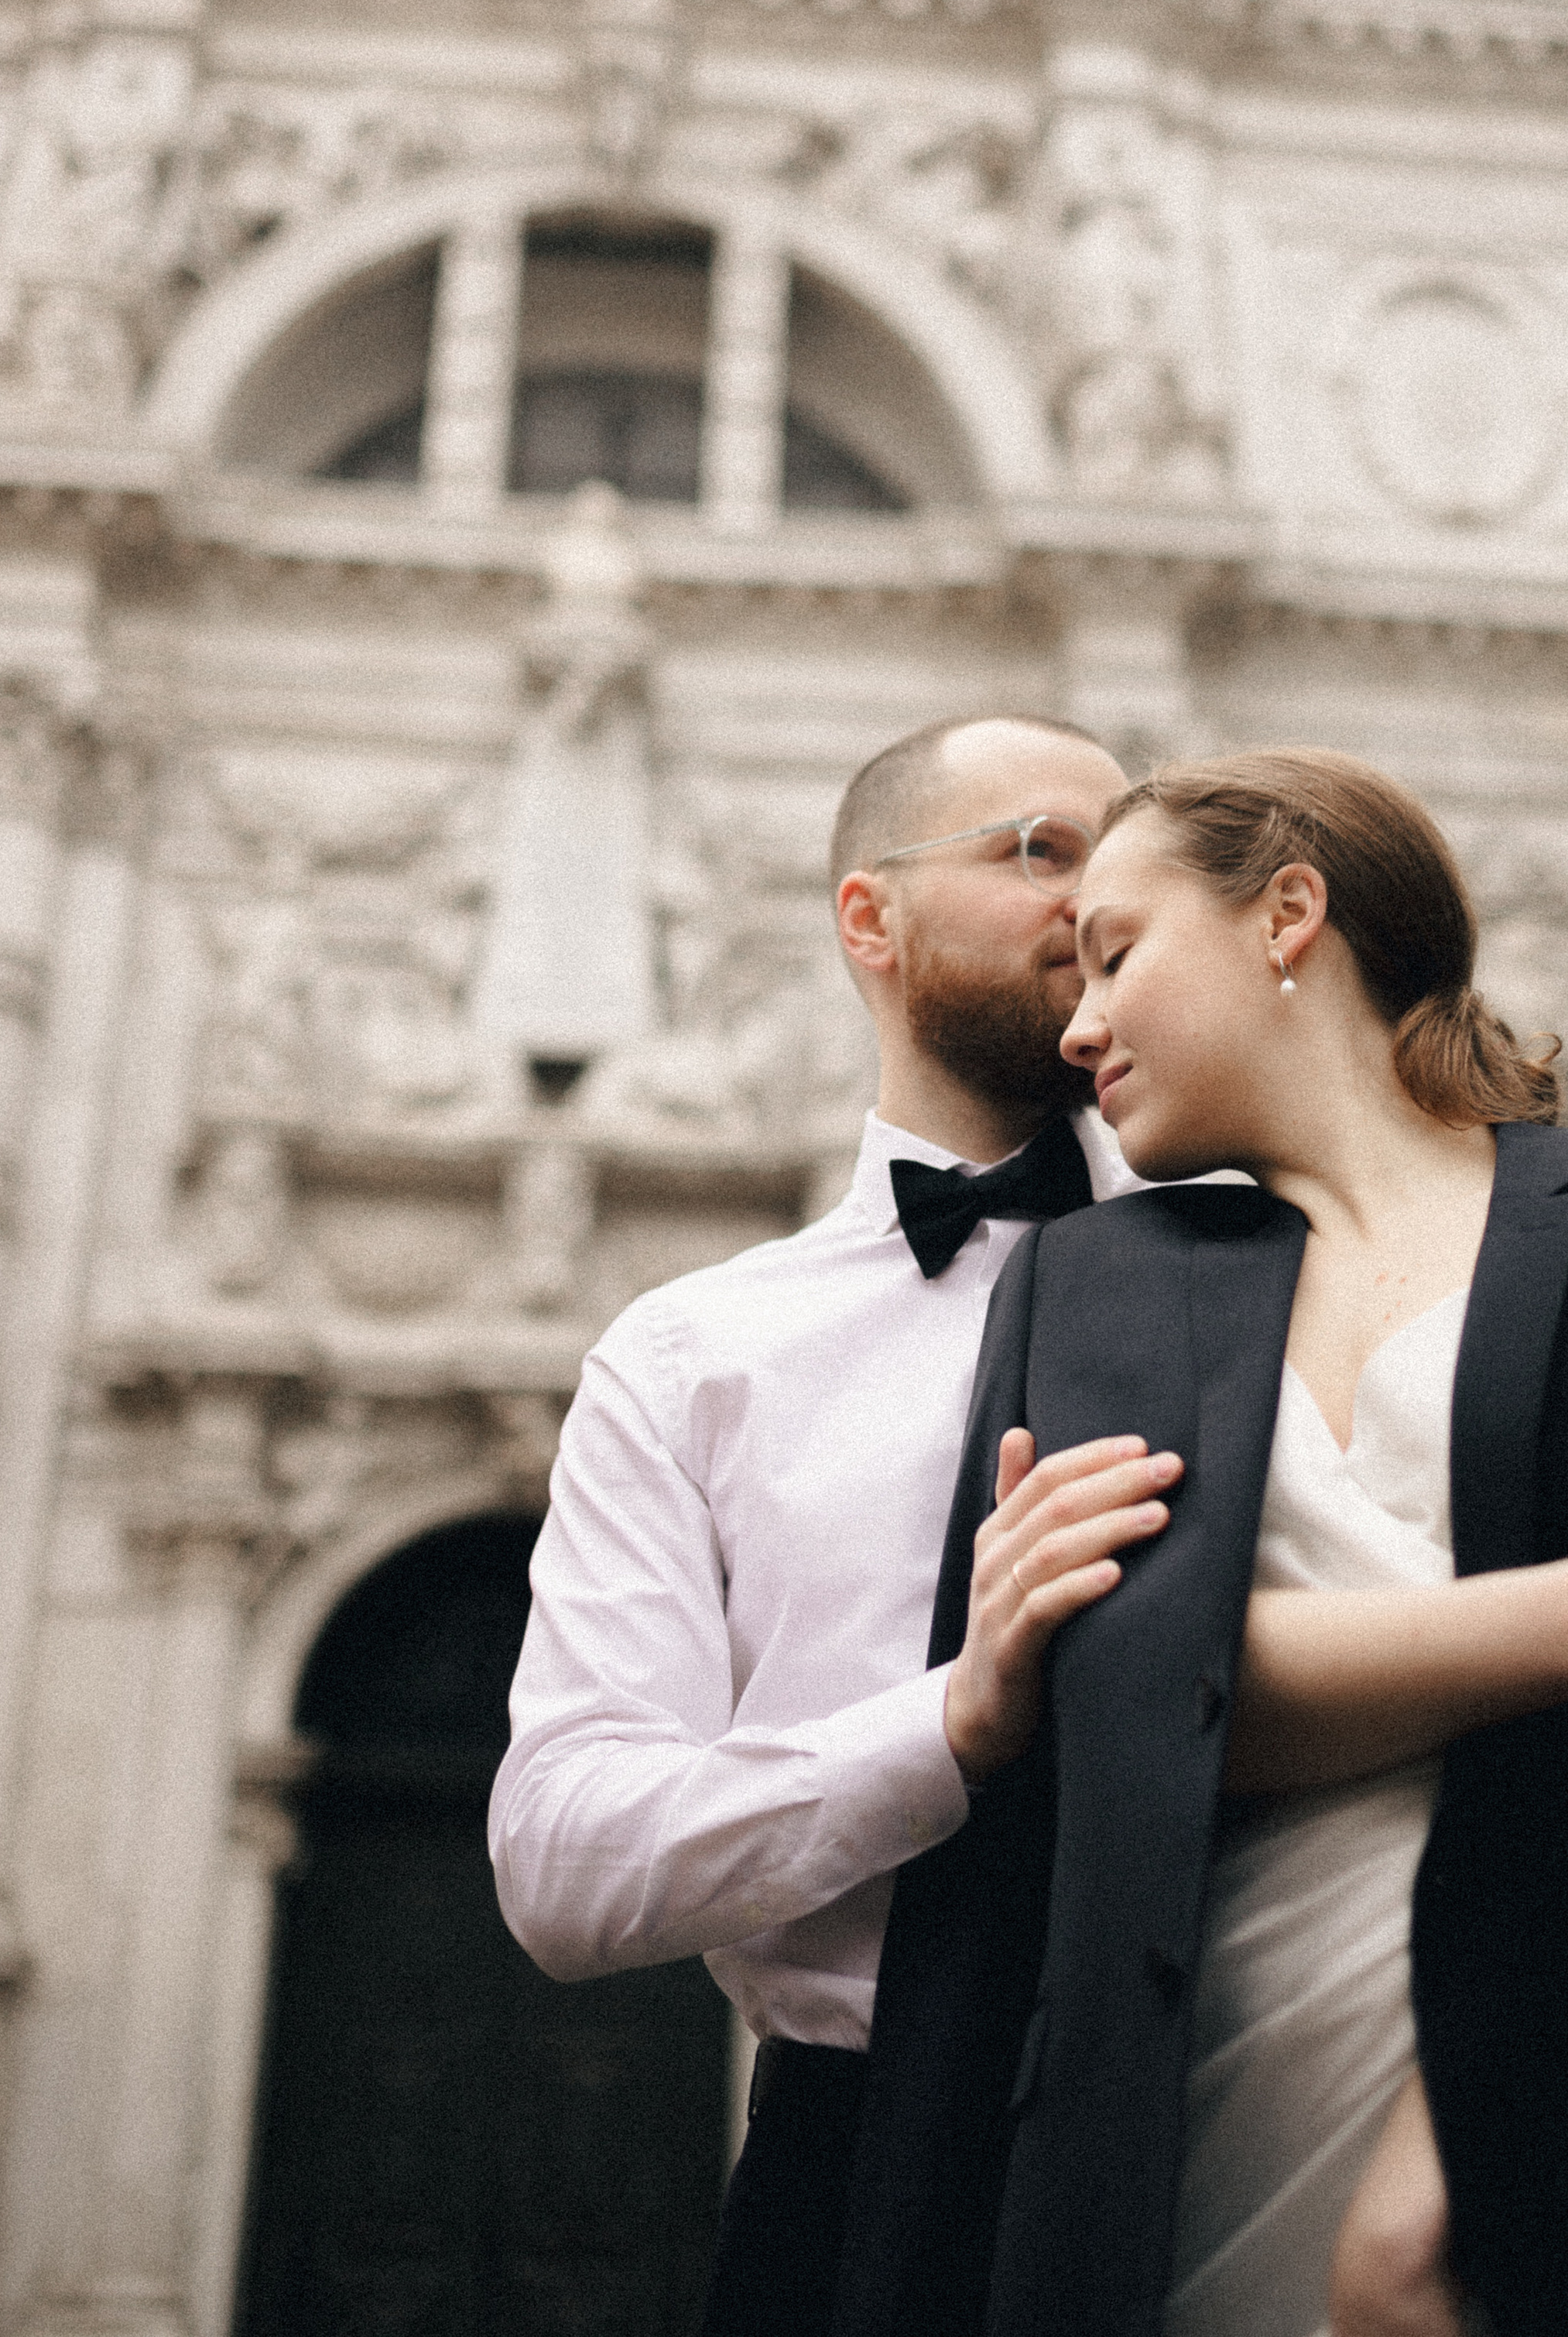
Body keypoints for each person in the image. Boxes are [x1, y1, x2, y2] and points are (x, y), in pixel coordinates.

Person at [835, 747, 1568, 2337]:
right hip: (1193, 2124)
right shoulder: (1096, 1284)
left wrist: (1454, 2149)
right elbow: (1126, 1713)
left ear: (1287, 913)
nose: (1075, 1027)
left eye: (1116, 954)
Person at [491, 711, 1188, 2337]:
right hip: (854, 2164)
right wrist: (944, 1725)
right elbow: (562, 1862)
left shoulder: (1273, 1276)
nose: (1095, 905)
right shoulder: (687, 1361)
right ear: (866, 922)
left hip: (1237, 2112)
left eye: (1129, 862)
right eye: (1037, 850)